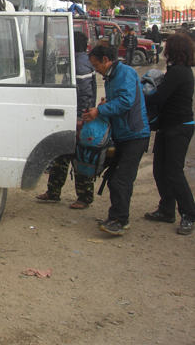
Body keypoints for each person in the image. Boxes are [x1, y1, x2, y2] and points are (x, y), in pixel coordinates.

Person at [83, 45, 151, 236]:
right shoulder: (111, 77)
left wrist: (100, 110)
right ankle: (117, 217)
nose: (96, 70)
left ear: (106, 60)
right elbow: (119, 101)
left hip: (135, 135)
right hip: (122, 136)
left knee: (121, 180)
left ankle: (120, 221)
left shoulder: (125, 73)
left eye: (96, 65)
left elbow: (126, 102)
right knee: (113, 178)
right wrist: (105, 104)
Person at [36, 32, 97, 208]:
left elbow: (85, 95)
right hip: (71, 116)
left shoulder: (81, 64)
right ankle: (53, 192)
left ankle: (84, 197)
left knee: (79, 158)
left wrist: (79, 118)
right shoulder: (79, 60)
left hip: (78, 119)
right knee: (61, 155)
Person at [143, 33, 195, 235]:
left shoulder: (179, 72)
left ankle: (189, 215)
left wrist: (138, 97)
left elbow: (159, 97)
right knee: (159, 170)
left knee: (173, 172)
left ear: (174, 50)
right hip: (168, 126)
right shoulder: (176, 70)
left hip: (179, 127)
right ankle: (166, 210)